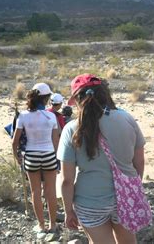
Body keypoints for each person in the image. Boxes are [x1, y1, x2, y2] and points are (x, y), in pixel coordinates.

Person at [58, 74, 146, 244]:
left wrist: (68, 210)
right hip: (124, 198)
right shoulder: (127, 119)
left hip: (89, 201)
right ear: (105, 94)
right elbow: (139, 163)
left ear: (77, 99)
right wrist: (131, 189)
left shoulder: (71, 129)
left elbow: (66, 180)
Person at [12, 83, 60, 234]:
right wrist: (57, 159)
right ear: (45, 99)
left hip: (31, 156)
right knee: (50, 191)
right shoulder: (51, 116)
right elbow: (56, 141)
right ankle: (53, 225)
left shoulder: (23, 116)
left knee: (35, 191)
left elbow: (15, 141)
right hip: (49, 155)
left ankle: (41, 225)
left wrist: (17, 157)